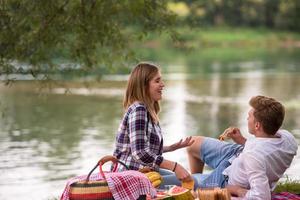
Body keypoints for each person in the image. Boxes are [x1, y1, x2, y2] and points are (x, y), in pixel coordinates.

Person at [162, 95, 298, 199]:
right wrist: (242, 141)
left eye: (249, 116)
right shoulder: (288, 138)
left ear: (257, 125)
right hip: (238, 154)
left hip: (224, 181)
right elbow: (265, 147)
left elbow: (261, 197)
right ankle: (198, 180)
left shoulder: (254, 156)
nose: (247, 118)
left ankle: (200, 184)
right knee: (193, 143)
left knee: (163, 182)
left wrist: (236, 190)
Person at [112, 62, 194, 182]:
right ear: (143, 86)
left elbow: (141, 148)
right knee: (194, 181)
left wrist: (171, 148)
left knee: (192, 179)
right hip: (130, 178)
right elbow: (139, 152)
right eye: (157, 81)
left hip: (142, 173)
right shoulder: (139, 110)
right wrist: (175, 166)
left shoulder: (145, 111)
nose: (163, 85)